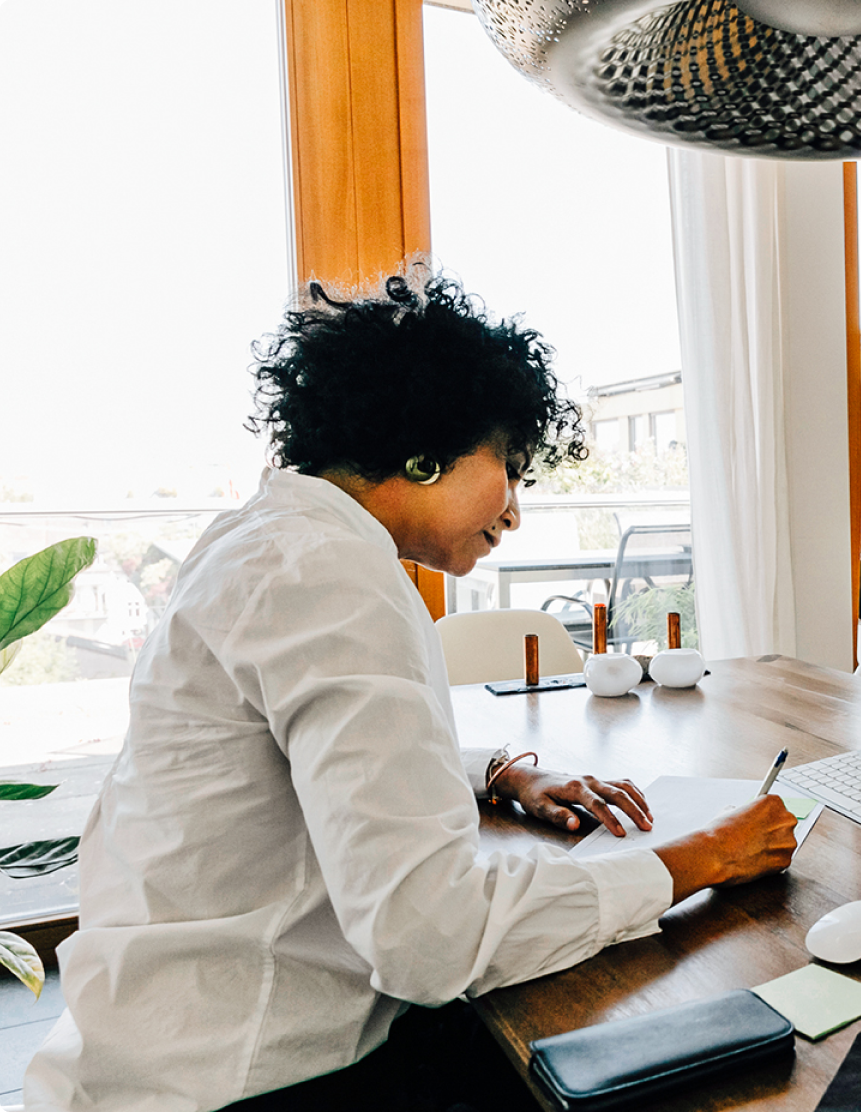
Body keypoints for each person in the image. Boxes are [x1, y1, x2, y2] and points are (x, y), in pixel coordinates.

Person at [23, 269, 798, 1112]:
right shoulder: (330, 577)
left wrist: (495, 770)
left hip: (152, 1045)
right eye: (509, 465)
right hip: (239, 1079)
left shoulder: (270, 540)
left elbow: (287, 753)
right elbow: (429, 938)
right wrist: (696, 858)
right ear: (424, 452)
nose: (512, 512)